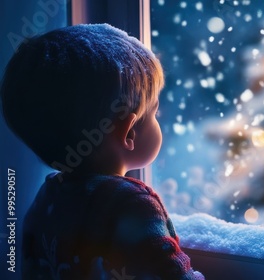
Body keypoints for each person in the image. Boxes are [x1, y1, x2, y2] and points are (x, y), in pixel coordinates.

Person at [1, 23, 204, 280]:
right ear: (129, 132)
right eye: (154, 113)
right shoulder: (133, 205)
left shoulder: (47, 199)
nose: (158, 119)